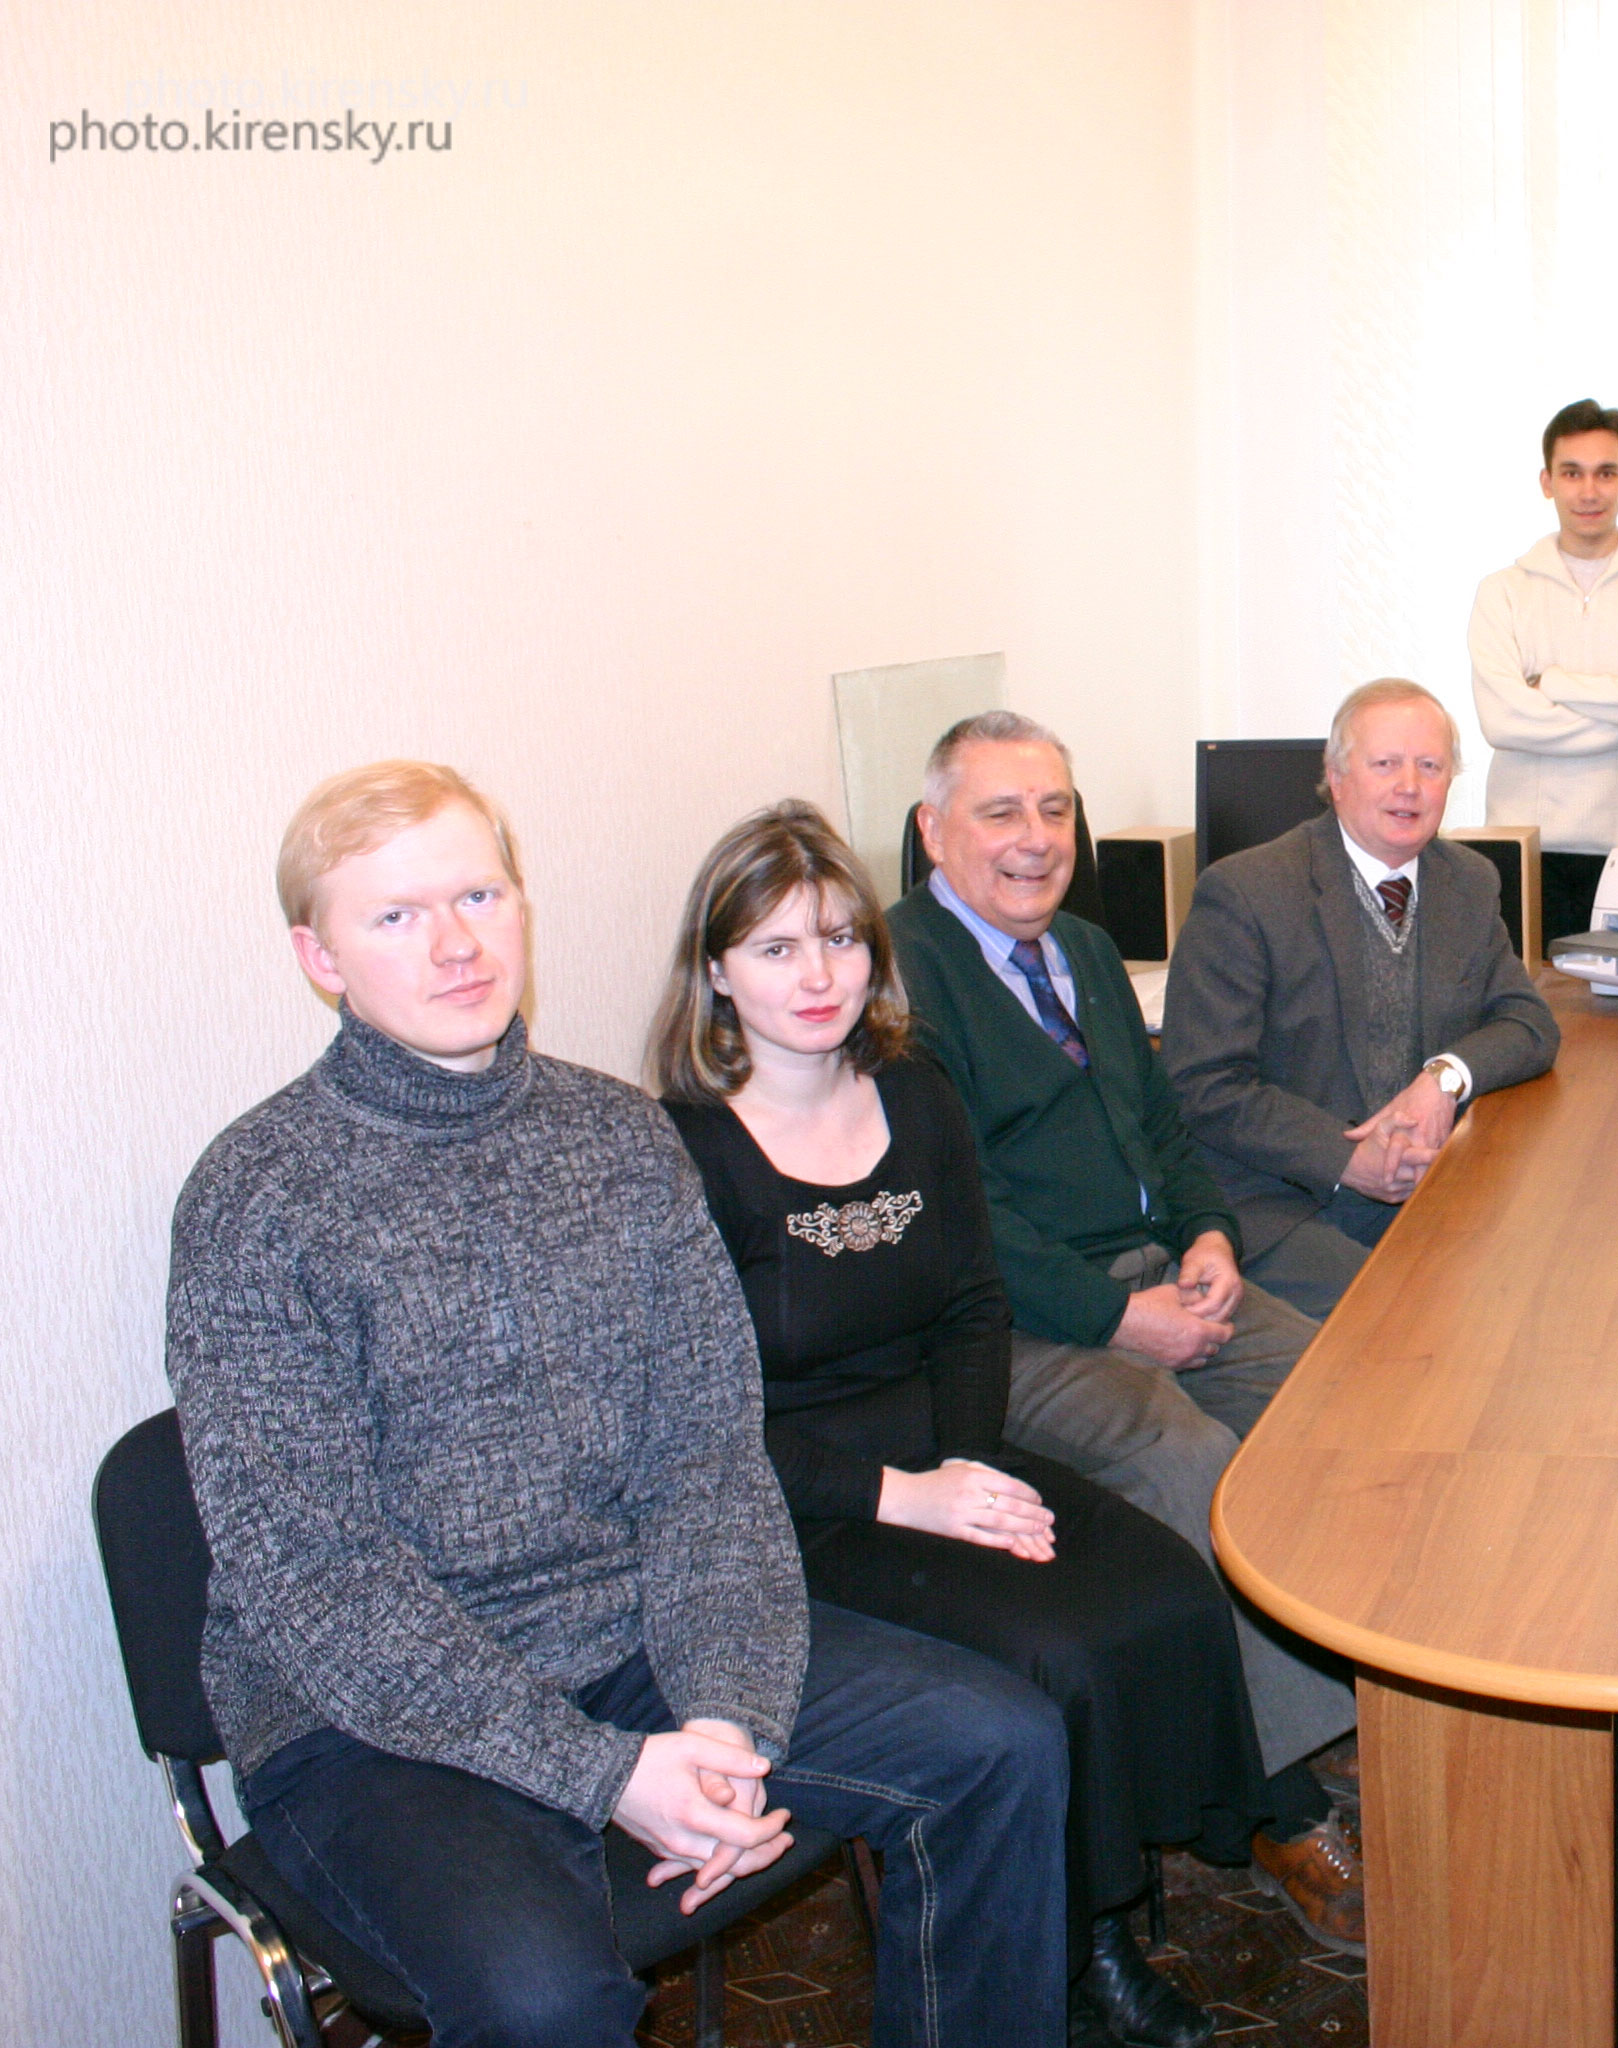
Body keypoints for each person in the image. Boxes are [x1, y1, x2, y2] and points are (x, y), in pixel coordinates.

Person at [167, 761, 1072, 2046]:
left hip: (631, 1640)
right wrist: (606, 1774)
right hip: (366, 1723)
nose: (458, 943)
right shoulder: (257, 1199)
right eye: (397, 915)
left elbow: (707, 1463)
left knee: (1002, 1746)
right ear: (320, 958)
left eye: (479, 893)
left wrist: (724, 1721)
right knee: (546, 1996)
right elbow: (319, 1585)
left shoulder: (623, 1141)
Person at [655, 801, 1265, 2048]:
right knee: (1057, 1655)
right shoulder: (682, 1155)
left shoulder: (915, 1092)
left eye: (840, 938)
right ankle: (1080, 1949)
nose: (818, 975)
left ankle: (1101, 1902)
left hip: (947, 1449)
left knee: (1166, 1587)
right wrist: (911, 1495)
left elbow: (977, 1305)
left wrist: (970, 1462)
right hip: (799, 1502)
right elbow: (703, 1423)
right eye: (775, 947)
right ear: (715, 969)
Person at [887, 712, 1366, 1958]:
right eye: (1000, 811)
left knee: (1339, 1396)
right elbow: (956, 1209)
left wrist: (1209, 1234)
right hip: (1018, 1327)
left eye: (1055, 809)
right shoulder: (899, 976)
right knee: (1183, 1453)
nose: (1037, 838)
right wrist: (1117, 1316)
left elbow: (1163, 1124)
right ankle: (1277, 1804)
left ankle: (1348, 1704)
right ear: (933, 829)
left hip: (1161, 1274)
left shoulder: (1090, 948)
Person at [1164, 680, 1563, 1318]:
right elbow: (1203, 1086)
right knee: (1397, 1318)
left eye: (1429, 766)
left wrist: (1443, 1079)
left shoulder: (1467, 881)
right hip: (1282, 1197)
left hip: (1423, 1184)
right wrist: (1347, 1157)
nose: (1410, 786)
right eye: (1385, 764)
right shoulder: (1246, 892)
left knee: (1538, 1284)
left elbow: (1528, 1023)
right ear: (1336, 776)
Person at [1468, 397, 1618, 945]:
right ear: (1546, 482)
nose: (1589, 491)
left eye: (1606, 473)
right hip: (1527, 850)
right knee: (1530, 996)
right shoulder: (1502, 592)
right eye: (1572, 473)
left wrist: (1552, 683)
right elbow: (1503, 721)